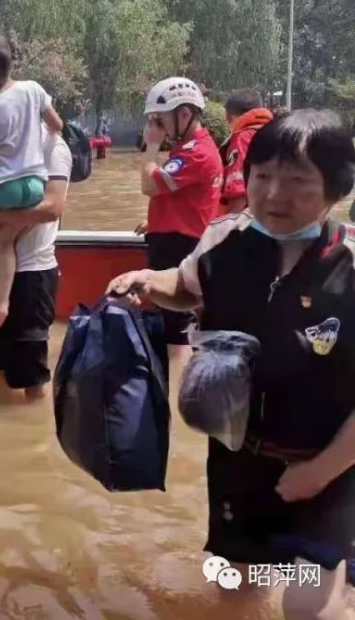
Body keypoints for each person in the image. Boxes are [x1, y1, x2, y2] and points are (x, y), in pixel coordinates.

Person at [108, 110, 355, 619]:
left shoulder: (349, 266)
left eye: (297, 181)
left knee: (305, 603)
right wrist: (149, 282)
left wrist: (318, 472)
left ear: (337, 187)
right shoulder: (225, 241)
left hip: (330, 465)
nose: (273, 195)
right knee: (236, 585)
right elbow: (187, 285)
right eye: (262, 176)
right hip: (239, 458)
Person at [0, 31, 65, 330]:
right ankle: (4, 303)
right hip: (33, 184)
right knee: (6, 239)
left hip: (3, 186)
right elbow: (57, 124)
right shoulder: (32, 89)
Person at [0, 128, 73, 399]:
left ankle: (33, 435)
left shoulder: (53, 147)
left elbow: (53, 208)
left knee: (31, 374)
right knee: (3, 366)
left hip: (33, 272)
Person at [136, 76, 223, 363]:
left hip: (180, 246)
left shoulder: (196, 153)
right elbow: (187, 200)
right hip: (173, 240)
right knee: (172, 323)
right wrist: (158, 222)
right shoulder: (187, 149)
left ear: (185, 114)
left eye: (160, 120)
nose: (156, 127)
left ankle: (179, 399)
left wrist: (150, 147)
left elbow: (150, 185)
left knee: (178, 327)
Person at [219, 89, 274, 216]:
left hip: (248, 217)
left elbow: (238, 188)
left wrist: (227, 227)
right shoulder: (275, 133)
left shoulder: (243, 138)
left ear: (229, 117)